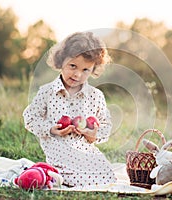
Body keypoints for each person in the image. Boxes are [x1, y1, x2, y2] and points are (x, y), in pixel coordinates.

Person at [22, 32, 117, 187]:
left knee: (108, 177)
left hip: (85, 151)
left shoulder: (95, 96)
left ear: (93, 70)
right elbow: (31, 118)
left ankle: (54, 176)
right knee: (79, 178)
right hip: (59, 151)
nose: (77, 74)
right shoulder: (47, 92)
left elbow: (106, 125)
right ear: (61, 62)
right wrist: (51, 130)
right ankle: (51, 174)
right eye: (73, 66)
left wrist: (93, 135)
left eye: (85, 70)